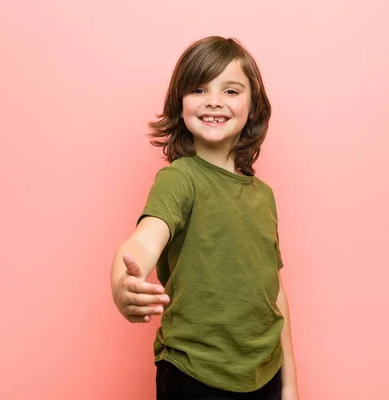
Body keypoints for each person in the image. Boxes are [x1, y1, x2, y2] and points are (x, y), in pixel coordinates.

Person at [110, 36, 299, 400]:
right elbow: (144, 240)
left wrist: (289, 385)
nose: (214, 100)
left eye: (231, 91)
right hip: (193, 374)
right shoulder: (180, 178)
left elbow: (275, 295)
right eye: (199, 88)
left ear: (254, 106)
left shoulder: (264, 196)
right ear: (180, 104)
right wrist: (123, 284)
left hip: (265, 374)